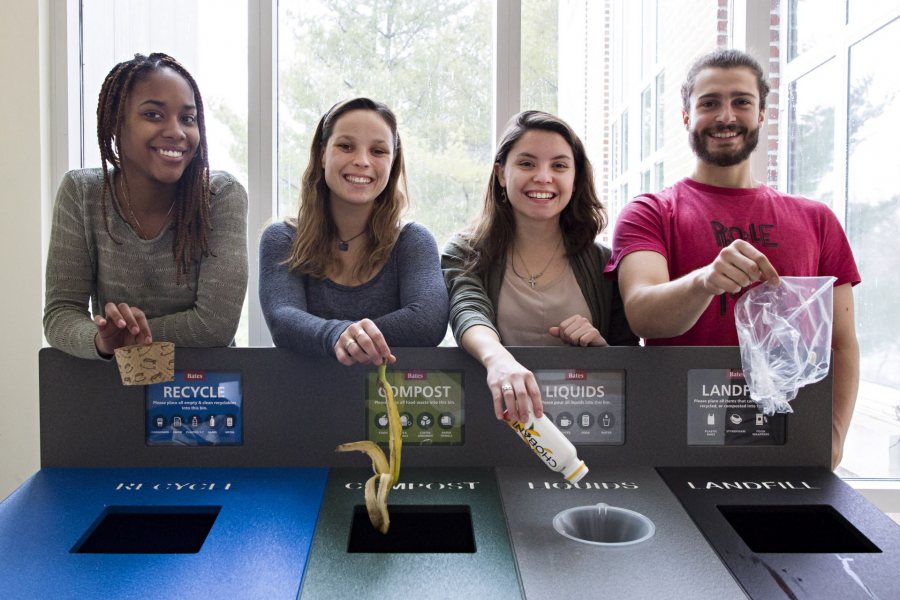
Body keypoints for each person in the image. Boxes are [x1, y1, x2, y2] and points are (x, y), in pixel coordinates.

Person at [605, 49, 860, 468]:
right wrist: (705, 280)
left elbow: (842, 343)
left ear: (762, 114)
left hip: (791, 442)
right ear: (686, 116)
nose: (726, 116)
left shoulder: (817, 220)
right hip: (676, 440)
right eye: (709, 103)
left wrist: (833, 437)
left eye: (741, 101)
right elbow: (642, 315)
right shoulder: (651, 211)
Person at [43, 53, 248, 359]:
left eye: (188, 118)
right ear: (116, 124)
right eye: (153, 115)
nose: (177, 132)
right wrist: (102, 342)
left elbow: (214, 325)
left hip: (204, 392)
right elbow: (60, 314)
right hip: (114, 386)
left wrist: (128, 337)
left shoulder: (220, 196)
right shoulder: (82, 193)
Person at [443, 111, 637, 423]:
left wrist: (600, 348)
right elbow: (467, 310)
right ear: (501, 174)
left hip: (586, 428)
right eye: (527, 163)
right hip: (491, 423)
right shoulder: (465, 252)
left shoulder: (604, 262)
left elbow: (628, 359)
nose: (543, 177)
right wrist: (497, 359)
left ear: (575, 178)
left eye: (559, 165)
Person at [259, 97, 448, 365]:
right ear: (322, 154)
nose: (361, 161)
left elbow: (427, 321)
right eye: (346, 146)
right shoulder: (282, 238)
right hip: (302, 399)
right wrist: (336, 335)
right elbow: (283, 319)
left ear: (393, 162)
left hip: (391, 401)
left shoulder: (412, 240)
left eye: (378, 151)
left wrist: (346, 338)